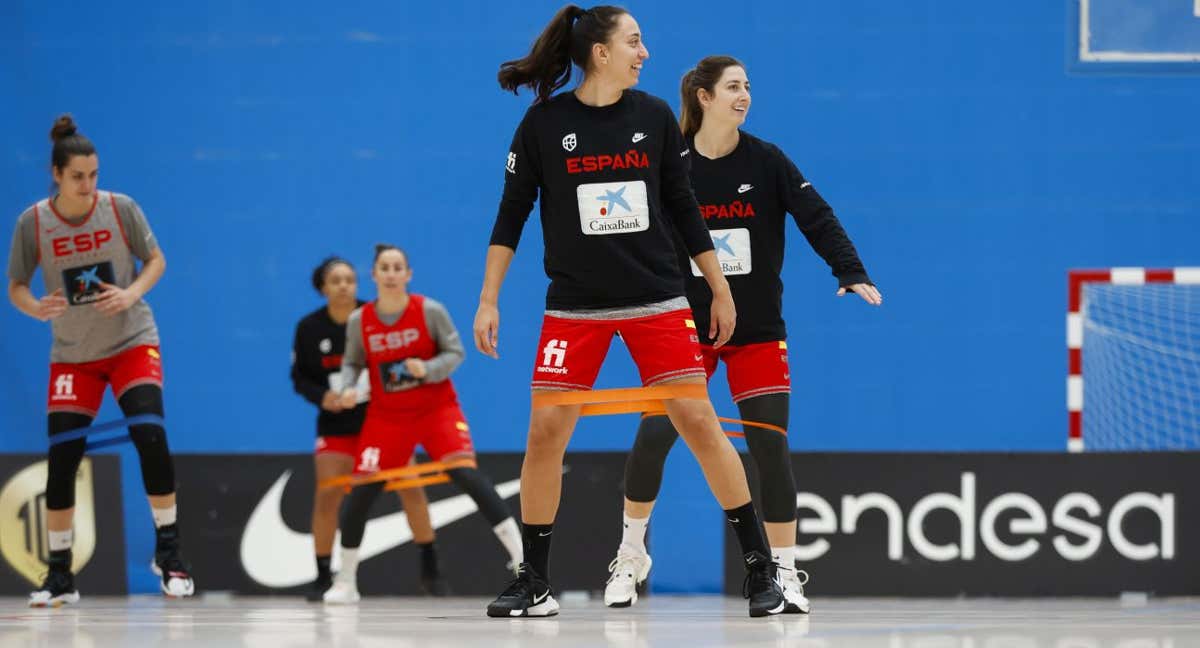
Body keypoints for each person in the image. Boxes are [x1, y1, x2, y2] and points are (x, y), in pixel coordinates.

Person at [475, 5, 785, 618]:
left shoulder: (654, 118)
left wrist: (719, 289)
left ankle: (760, 571)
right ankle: (534, 581)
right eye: (634, 42)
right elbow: (510, 214)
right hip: (573, 306)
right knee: (545, 433)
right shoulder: (543, 125)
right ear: (600, 53)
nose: (645, 53)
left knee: (697, 420)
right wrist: (488, 298)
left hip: (657, 298)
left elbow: (683, 206)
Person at [602, 55, 883, 612]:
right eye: (734, 86)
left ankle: (784, 570)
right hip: (685, 327)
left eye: (748, 86)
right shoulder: (670, 161)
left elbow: (817, 217)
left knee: (769, 445)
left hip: (755, 327)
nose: (745, 94)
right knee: (655, 436)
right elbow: (629, 229)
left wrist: (849, 270)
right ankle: (630, 555)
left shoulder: (768, 160)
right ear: (704, 97)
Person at [6, 115, 195, 606]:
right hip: (73, 355)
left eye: (93, 175)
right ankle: (60, 574)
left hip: (132, 340)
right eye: (77, 177)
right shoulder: (33, 222)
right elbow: (17, 287)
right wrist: (35, 307)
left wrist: (130, 292)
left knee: (149, 433)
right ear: (56, 174)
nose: (88, 185)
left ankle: (170, 555)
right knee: (63, 459)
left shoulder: (120, 208)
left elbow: (156, 260)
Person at [323, 244, 523, 604]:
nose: (391, 273)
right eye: (384, 267)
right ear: (375, 275)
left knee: (467, 474)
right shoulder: (360, 320)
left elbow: (455, 353)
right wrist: (349, 388)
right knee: (362, 491)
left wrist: (426, 369)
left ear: (408, 274)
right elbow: (352, 363)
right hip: (387, 418)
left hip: (436, 410)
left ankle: (523, 562)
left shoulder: (429, 310)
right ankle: (346, 580)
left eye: (398, 267)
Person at [291, 256, 448, 600]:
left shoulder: (371, 317)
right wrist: (326, 397)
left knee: (411, 488)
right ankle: (323, 576)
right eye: (336, 280)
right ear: (323, 288)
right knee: (328, 495)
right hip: (336, 426)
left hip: (384, 422)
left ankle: (430, 565)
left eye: (350, 279)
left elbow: (398, 365)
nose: (345, 285)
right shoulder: (308, 329)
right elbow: (299, 378)